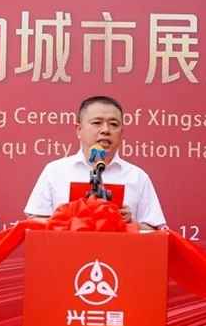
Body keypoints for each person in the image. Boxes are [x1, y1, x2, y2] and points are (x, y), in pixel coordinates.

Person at [23, 96, 167, 230]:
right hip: (65, 249)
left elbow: (155, 230)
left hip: (118, 249)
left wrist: (131, 223)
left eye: (113, 124)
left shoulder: (137, 176)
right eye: (97, 123)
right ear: (79, 130)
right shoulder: (55, 171)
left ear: (121, 132)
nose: (106, 130)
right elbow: (34, 221)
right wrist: (66, 218)